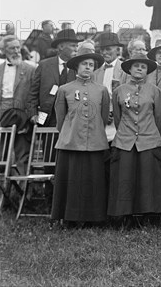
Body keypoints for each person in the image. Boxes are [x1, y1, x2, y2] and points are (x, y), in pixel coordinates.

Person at [51, 46, 109, 225]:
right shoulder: (64, 89)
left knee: (93, 181)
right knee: (72, 181)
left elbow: (104, 116)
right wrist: (69, 134)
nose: (88, 67)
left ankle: (94, 218)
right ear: (77, 67)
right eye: (84, 64)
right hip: (71, 142)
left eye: (91, 65)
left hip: (95, 142)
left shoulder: (101, 90)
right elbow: (61, 118)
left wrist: (95, 133)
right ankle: (70, 217)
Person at [108, 54, 161, 227]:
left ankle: (149, 216)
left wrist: (149, 135)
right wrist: (126, 133)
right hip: (125, 139)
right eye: (136, 66)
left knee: (148, 179)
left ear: (147, 71)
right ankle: (125, 216)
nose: (140, 69)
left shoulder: (155, 91)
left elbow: (158, 118)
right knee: (125, 178)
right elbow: (117, 119)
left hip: (149, 139)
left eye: (143, 67)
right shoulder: (119, 91)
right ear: (129, 69)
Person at [0, 36, 36, 175]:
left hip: (22, 116)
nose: (17, 51)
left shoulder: (30, 69)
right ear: (4, 50)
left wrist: (29, 118)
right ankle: (1, 193)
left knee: (22, 156)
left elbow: (33, 96)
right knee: (0, 157)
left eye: (18, 47)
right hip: (2, 114)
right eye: (12, 48)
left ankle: (22, 193)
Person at [28, 29, 79, 127]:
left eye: (77, 46)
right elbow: (33, 93)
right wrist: (33, 114)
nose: (76, 49)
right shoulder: (44, 65)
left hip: (70, 121)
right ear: (61, 47)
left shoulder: (78, 67)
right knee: (47, 141)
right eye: (73, 45)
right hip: (45, 118)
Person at [93, 32, 128, 143]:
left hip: (120, 122)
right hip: (99, 122)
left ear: (117, 49)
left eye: (108, 49)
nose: (104, 52)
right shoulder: (95, 72)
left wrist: (114, 113)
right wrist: (102, 113)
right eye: (102, 49)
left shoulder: (126, 70)